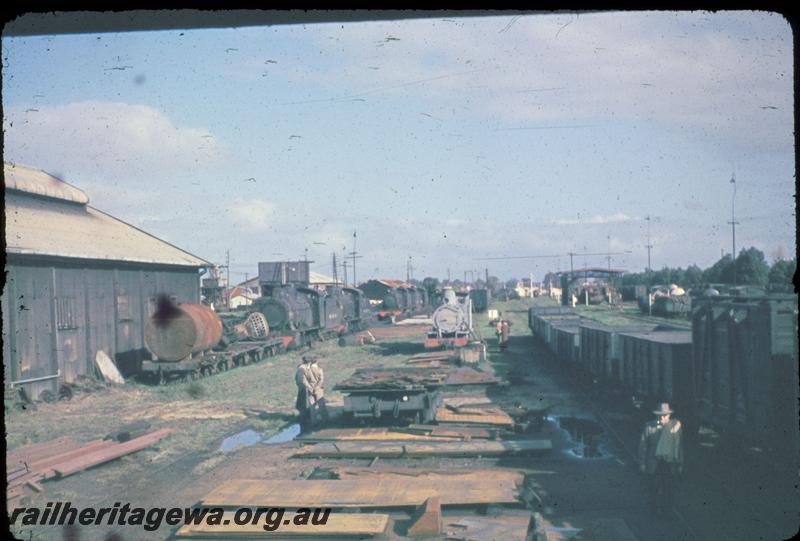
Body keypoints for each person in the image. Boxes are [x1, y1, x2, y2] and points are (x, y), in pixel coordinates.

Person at [638, 402, 684, 515]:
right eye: (661, 415)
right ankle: (653, 509)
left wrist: (680, 463)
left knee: (668, 488)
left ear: (669, 415)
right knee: (653, 488)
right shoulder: (649, 426)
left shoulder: (675, 427)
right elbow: (643, 445)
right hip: (653, 462)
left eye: (666, 415)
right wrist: (642, 463)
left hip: (669, 463)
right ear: (657, 415)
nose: (663, 417)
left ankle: (667, 511)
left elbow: (679, 446)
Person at [294, 356, 316, 432]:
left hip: (305, 389)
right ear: (308, 362)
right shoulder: (302, 369)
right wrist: (309, 387)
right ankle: (304, 422)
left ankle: (306, 420)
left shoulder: (304, 368)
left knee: (306, 405)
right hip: (304, 390)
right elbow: (302, 380)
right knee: (303, 406)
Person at [307, 355, 328, 422]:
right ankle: (324, 420)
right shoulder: (319, 369)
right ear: (317, 361)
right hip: (318, 389)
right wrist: (317, 387)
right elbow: (321, 380)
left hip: (310, 389)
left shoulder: (307, 370)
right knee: (321, 405)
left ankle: (314, 421)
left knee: (312, 407)